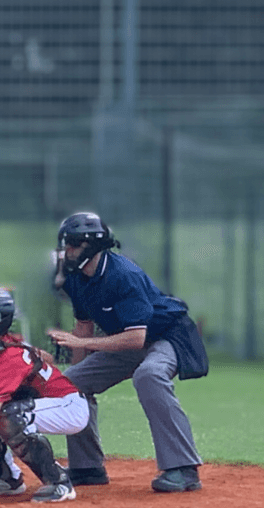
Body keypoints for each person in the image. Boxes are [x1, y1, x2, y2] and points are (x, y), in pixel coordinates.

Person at [47, 211, 208, 493]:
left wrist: (82, 344)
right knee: (71, 384)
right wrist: (73, 374)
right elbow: (83, 328)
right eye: (66, 244)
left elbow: (136, 338)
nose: (67, 251)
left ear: (93, 246)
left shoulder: (123, 274)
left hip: (167, 335)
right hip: (128, 339)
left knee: (149, 374)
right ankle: (88, 468)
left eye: (73, 244)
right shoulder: (75, 278)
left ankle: (183, 469)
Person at [0, 286, 89, 503]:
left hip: (69, 406)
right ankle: (5, 478)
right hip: (44, 403)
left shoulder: (7, 357)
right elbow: (46, 357)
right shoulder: (0, 345)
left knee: (10, 416)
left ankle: (59, 482)